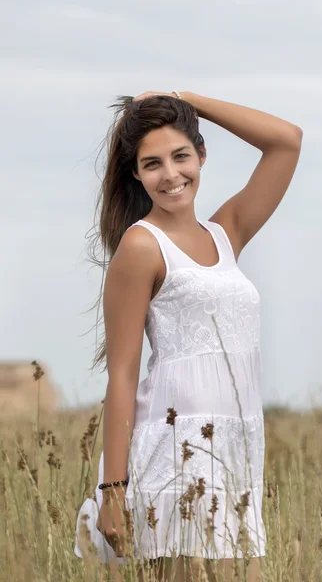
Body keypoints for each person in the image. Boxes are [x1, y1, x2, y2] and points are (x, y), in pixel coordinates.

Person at [74, 90, 302, 580]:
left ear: (202, 153)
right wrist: (113, 489)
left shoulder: (227, 232)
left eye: (181, 155)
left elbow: (286, 142)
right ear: (136, 173)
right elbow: (122, 376)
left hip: (237, 449)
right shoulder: (141, 246)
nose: (171, 174)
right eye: (152, 163)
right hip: (174, 453)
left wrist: (187, 100)